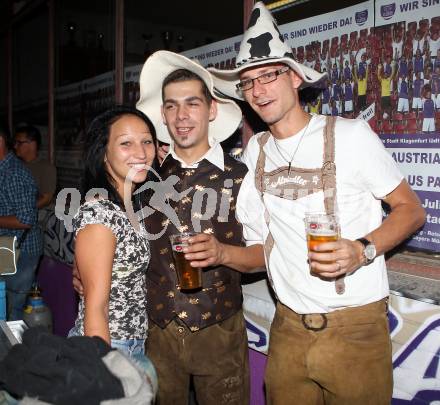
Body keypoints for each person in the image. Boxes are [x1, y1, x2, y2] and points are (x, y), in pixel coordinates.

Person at [208, 2, 426, 404]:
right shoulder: (254, 153)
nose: (258, 90)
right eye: (248, 82)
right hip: (287, 327)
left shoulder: (350, 136)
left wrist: (363, 250)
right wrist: (221, 252)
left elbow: (411, 210)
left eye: (268, 75)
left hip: (356, 329)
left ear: (294, 78)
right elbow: (261, 253)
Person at [135, 51, 256, 404]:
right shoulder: (146, 179)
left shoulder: (242, 177)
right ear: (163, 115)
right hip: (158, 331)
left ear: (212, 110)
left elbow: (265, 256)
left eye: (192, 103)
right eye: (171, 106)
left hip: (219, 329)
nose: (181, 115)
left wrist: (222, 252)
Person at [69, 106, 157, 359]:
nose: (140, 153)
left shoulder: (131, 205)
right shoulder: (101, 213)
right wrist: (105, 368)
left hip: (132, 342)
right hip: (110, 344)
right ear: (103, 153)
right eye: (126, 143)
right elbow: (97, 307)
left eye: (147, 141)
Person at [0, 121, 40, 321]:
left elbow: (26, 220)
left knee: (12, 312)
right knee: (5, 307)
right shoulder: (4, 170)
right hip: (8, 249)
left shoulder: (13, 173)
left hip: (21, 252)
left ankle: (13, 350)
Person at [14, 125, 57, 211]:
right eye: (15, 143)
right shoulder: (15, 164)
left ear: (32, 144)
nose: (15, 146)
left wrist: (21, 211)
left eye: (19, 143)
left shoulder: (46, 168)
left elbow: (46, 199)